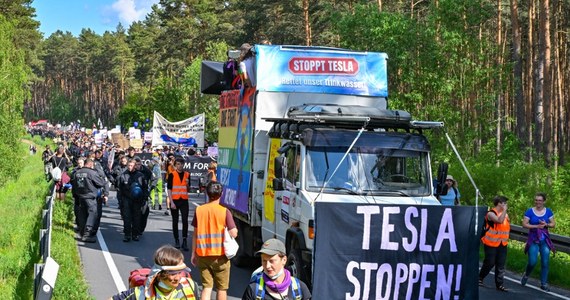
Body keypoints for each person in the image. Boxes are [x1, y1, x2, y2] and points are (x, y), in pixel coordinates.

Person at [191, 181, 238, 300]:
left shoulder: (199, 210)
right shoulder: (224, 211)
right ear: (221, 194)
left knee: (206, 287)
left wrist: (193, 253)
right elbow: (234, 233)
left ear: (207, 193)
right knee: (221, 288)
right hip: (220, 256)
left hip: (202, 255)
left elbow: (195, 234)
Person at [109, 245, 199, 300]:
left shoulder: (191, 285)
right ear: (159, 274)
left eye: (180, 272)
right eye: (172, 274)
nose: (178, 278)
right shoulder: (141, 294)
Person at [242, 239, 311, 300]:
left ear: (284, 260)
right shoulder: (253, 290)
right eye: (264, 261)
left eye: (272, 261)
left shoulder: (300, 288)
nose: (267, 266)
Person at [521, 192, 556, 291]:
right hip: (533, 239)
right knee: (532, 262)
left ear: (544, 201)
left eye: (540, 200)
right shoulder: (530, 211)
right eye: (536, 200)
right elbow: (524, 224)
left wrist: (546, 224)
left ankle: (543, 283)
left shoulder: (548, 211)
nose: (538, 202)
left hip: (544, 240)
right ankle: (526, 274)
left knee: (545, 262)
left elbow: (553, 224)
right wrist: (536, 226)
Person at [71, 158, 108, 243]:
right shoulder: (92, 173)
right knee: (92, 215)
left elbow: (74, 185)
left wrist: (75, 196)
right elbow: (101, 183)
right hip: (90, 197)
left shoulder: (77, 173)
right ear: (91, 165)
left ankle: (82, 233)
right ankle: (87, 235)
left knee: (82, 215)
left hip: (80, 197)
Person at [479, 195, 510, 292]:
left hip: (502, 243)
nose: (505, 205)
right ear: (499, 203)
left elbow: (506, 225)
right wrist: (504, 211)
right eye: (504, 203)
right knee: (490, 262)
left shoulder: (505, 214)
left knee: (501, 265)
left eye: (506, 203)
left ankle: (499, 285)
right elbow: (499, 221)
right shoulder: (491, 213)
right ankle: (480, 278)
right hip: (491, 242)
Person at [119, 159, 148, 242]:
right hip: (126, 199)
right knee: (127, 217)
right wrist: (121, 200)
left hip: (137, 200)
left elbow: (145, 188)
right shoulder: (123, 175)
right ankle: (127, 235)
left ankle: (135, 234)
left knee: (136, 217)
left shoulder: (140, 176)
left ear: (135, 166)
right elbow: (120, 188)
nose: (130, 167)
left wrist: (145, 198)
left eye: (131, 165)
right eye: (128, 165)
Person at [167, 158, 192, 250]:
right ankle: (177, 239)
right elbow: (169, 189)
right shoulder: (172, 175)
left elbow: (189, 190)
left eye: (181, 164)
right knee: (175, 221)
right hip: (175, 200)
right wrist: (171, 202)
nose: (180, 166)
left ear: (183, 165)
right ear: (175, 165)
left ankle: (184, 240)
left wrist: (187, 184)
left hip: (184, 200)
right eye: (178, 164)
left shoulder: (187, 174)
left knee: (185, 220)